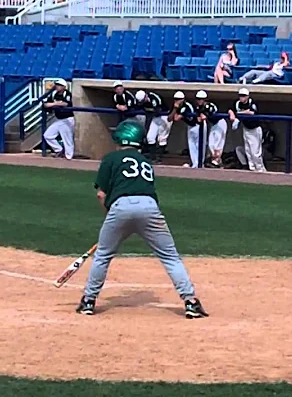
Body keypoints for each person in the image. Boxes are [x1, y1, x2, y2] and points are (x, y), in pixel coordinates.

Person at [76, 120, 208, 319]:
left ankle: (88, 301)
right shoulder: (145, 162)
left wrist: (110, 219)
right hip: (150, 207)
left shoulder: (111, 159)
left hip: (120, 207)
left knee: (103, 255)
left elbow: (101, 195)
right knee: (170, 257)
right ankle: (190, 302)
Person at [228, 88, 265, 172]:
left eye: (244, 96)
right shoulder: (237, 103)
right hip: (246, 128)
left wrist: (238, 113)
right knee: (248, 150)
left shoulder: (252, 103)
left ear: (248, 96)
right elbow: (230, 109)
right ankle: (252, 168)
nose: (242, 98)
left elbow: (251, 112)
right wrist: (232, 113)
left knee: (255, 152)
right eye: (240, 96)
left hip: (255, 129)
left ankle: (260, 169)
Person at [42, 78, 75, 160]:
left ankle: (69, 156)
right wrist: (56, 103)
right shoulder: (54, 94)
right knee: (48, 135)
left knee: (67, 138)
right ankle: (59, 150)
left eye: (59, 85)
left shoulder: (67, 94)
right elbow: (45, 104)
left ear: (64, 87)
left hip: (68, 119)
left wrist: (54, 104)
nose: (57, 86)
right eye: (57, 85)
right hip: (59, 119)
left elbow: (66, 103)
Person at [194, 90, 227, 167]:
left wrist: (205, 115)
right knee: (211, 144)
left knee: (217, 144)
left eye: (201, 99)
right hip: (214, 124)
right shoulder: (199, 107)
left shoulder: (210, 105)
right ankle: (215, 160)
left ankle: (217, 161)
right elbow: (199, 118)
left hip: (220, 123)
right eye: (198, 99)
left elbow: (209, 114)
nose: (199, 101)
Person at [134, 90, 168, 164]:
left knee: (162, 138)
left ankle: (159, 158)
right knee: (150, 137)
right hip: (155, 118)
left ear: (146, 96)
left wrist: (149, 111)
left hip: (163, 117)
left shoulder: (154, 98)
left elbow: (157, 110)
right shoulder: (140, 101)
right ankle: (153, 158)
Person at [166, 91, 197, 166]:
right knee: (191, 146)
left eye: (179, 99)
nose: (177, 101)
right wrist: (175, 109)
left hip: (198, 125)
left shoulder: (186, 106)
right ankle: (195, 164)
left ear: (183, 99)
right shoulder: (176, 107)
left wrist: (176, 111)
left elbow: (176, 118)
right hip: (190, 126)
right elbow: (169, 118)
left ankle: (199, 164)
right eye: (176, 99)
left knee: (198, 146)